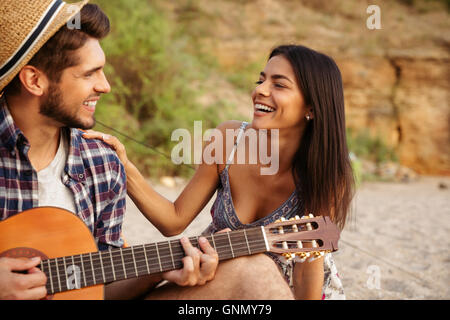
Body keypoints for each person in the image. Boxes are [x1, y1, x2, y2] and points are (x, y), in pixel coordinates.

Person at [83, 44, 355, 299]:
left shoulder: (327, 173)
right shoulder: (229, 140)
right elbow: (174, 220)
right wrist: (125, 166)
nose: (260, 90)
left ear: (311, 107)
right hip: (221, 276)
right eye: (261, 80)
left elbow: (308, 267)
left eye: (279, 84)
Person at [0, 0, 219, 300]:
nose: (105, 86)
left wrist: (158, 270)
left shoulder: (102, 164)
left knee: (250, 274)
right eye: (89, 74)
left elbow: (102, 287)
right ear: (34, 80)